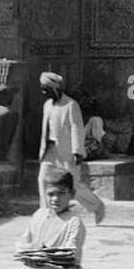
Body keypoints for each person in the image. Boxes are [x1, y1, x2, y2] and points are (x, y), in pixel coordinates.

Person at [38, 72, 105, 223]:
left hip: (67, 151)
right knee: (43, 178)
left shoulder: (71, 105)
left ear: (55, 89)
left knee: (73, 184)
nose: (43, 92)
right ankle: (46, 212)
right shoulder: (47, 105)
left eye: (46, 89)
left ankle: (97, 206)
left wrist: (77, 151)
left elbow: (77, 128)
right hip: (49, 150)